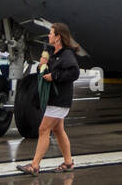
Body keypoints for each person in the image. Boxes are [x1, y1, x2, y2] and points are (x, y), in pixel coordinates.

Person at [17, 23, 81, 174]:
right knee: (58, 130)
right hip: (54, 98)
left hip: (60, 99)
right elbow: (47, 71)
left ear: (58, 37)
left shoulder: (66, 54)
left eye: (51, 33)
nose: (49, 36)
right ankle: (68, 162)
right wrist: (42, 66)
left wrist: (55, 76)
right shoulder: (53, 53)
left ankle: (35, 165)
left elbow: (74, 73)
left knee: (43, 129)